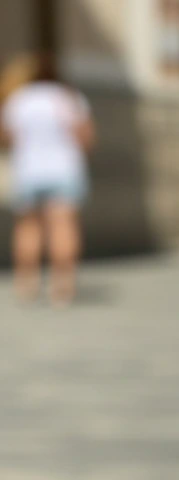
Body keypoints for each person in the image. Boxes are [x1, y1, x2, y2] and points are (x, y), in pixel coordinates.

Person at [0, 52, 94, 304]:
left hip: (28, 171)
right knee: (62, 226)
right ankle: (62, 286)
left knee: (27, 228)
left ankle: (27, 284)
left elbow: (8, 138)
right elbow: (84, 137)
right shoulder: (67, 98)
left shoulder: (18, 100)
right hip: (63, 169)